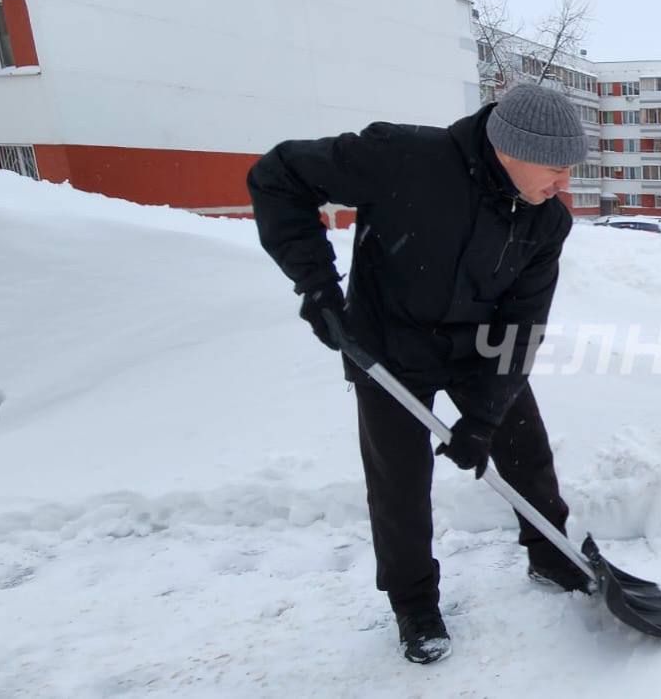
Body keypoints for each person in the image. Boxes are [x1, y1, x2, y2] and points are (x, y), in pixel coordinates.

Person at [246, 84, 592, 665]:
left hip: (479, 346)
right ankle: (414, 605)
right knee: (399, 482)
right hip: (388, 346)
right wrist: (318, 287)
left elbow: (522, 324)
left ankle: (551, 552)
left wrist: (481, 418)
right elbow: (278, 176)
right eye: (556, 170)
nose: (565, 186)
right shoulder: (402, 158)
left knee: (524, 448)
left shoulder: (546, 223)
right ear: (513, 148)